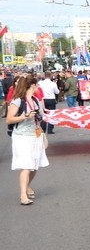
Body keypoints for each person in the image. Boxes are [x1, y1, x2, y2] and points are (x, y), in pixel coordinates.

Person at [7, 74, 48, 206]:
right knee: (26, 166)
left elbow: (41, 116)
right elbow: (9, 119)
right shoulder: (18, 101)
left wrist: (44, 117)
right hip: (22, 136)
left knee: (34, 166)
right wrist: (24, 116)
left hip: (35, 135)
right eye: (36, 85)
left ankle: (27, 186)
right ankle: (23, 195)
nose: (38, 87)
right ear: (32, 86)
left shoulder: (36, 100)